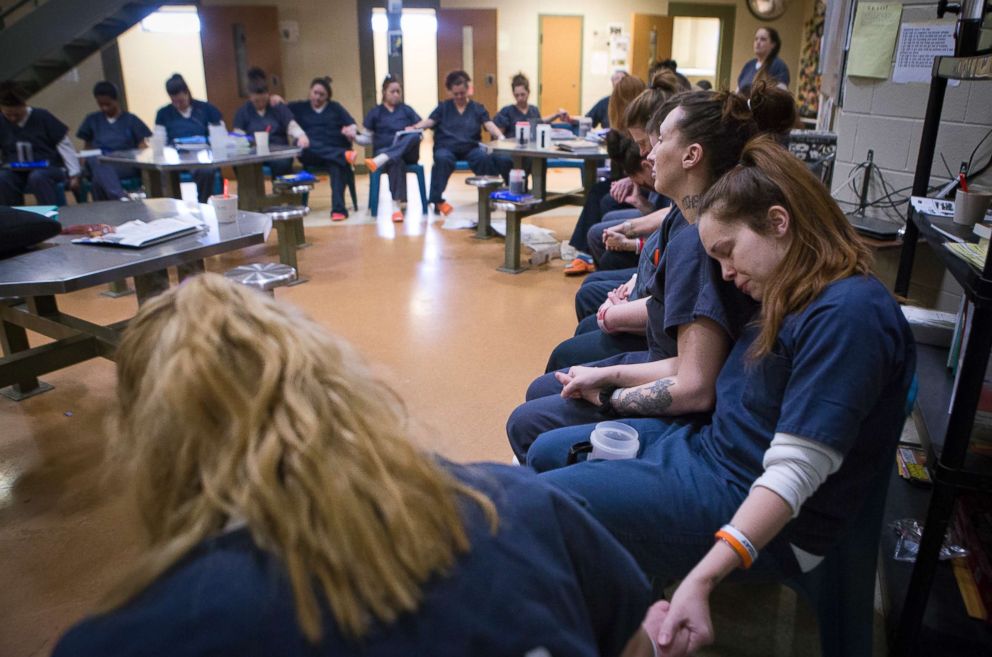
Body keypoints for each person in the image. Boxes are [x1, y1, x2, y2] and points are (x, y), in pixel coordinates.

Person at [49, 274, 655, 657]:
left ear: (153, 443)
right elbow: (633, 642)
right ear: (334, 379)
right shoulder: (520, 505)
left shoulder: (134, 637)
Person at [528, 137, 915, 657]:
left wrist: (704, 578)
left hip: (748, 495)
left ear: (779, 221)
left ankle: (625, 636)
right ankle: (624, 601)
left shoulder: (849, 315)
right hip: (712, 453)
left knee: (550, 509)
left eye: (728, 253)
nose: (726, 273)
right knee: (548, 453)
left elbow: (792, 473)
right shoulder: (792, 286)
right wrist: (620, 383)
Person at [507, 88, 793, 462]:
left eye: (660, 141)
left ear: (692, 155)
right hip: (666, 364)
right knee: (545, 388)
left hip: (681, 403)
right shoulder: (687, 215)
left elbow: (693, 382)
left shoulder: (699, 242)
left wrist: (610, 390)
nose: (650, 153)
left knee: (527, 421)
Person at [565, 74, 647, 276]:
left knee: (605, 198)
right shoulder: (610, 112)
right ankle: (586, 252)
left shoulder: (643, 126)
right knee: (598, 191)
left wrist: (631, 181)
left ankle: (591, 253)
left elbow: (641, 164)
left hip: (642, 184)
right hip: (631, 179)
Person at [410, 70, 509, 216]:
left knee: (484, 158)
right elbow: (430, 121)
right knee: (442, 159)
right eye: (455, 94)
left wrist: (501, 136)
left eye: (462, 93)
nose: (459, 97)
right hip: (447, 148)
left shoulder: (477, 108)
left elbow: (488, 124)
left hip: (471, 148)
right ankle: (436, 199)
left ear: (467, 89)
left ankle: (490, 197)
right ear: (450, 91)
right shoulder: (444, 107)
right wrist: (415, 127)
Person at [288, 76, 359, 221]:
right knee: (334, 155)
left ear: (328, 97)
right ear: (310, 92)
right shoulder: (300, 107)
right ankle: (342, 154)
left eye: (322, 95)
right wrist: (275, 99)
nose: (318, 97)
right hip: (310, 152)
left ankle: (339, 210)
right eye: (315, 93)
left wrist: (350, 130)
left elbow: (352, 124)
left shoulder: (335, 108)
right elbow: (281, 110)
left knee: (337, 165)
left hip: (332, 149)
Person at [0, 81, 80, 206]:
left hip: (48, 168)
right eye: (8, 115)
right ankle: (14, 218)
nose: (12, 119)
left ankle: (50, 217)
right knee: (3, 178)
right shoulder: (1, 122)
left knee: (37, 177)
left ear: (24, 105)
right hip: (16, 171)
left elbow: (64, 145)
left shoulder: (42, 116)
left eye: (17, 114)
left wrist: (74, 174)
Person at [76, 81, 152, 201]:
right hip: (98, 161)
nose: (104, 108)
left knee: (98, 178)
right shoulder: (92, 120)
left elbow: (142, 147)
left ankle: (109, 205)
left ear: (116, 100)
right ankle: (120, 197)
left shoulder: (131, 120)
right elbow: (87, 147)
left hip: (123, 164)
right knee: (99, 163)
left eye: (108, 104)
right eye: (100, 104)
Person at [154, 74, 223, 203]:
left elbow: (220, 135)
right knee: (164, 173)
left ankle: (203, 205)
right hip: (175, 156)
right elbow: (159, 140)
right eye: (174, 102)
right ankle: (172, 208)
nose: (178, 105)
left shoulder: (206, 109)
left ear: (187, 92)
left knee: (206, 171)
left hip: (201, 155)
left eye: (181, 101)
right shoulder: (163, 113)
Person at [362, 74, 422, 223]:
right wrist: (352, 136)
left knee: (414, 136)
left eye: (398, 92)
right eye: (392, 91)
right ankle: (396, 206)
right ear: (384, 92)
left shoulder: (407, 110)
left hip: (408, 153)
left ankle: (384, 158)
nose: (396, 95)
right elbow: (366, 138)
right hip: (386, 151)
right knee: (396, 161)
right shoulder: (375, 112)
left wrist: (413, 128)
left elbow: (420, 129)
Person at [232, 67, 309, 178]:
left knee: (282, 164)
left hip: (278, 151)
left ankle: (281, 193)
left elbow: (291, 126)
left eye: (263, 100)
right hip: (253, 153)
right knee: (241, 165)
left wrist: (302, 136)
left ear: (268, 95)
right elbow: (238, 134)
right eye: (256, 101)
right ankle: (251, 194)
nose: (260, 103)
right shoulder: (243, 111)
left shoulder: (276, 106)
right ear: (250, 97)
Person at [492, 72, 567, 136]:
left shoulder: (534, 110)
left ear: (528, 92)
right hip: (513, 150)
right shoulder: (506, 111)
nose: (520, 98)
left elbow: (541, 121)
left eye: (522, 94)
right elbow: (499, 136)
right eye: (516, 95)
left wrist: (557, 114)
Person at [737, 27, 790, 92]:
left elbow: (781, 94)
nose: (758, 42)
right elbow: (738, 91)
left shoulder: (778, 66)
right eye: (756, 39)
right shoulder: (748, 66)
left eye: (763, 39)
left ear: (773, 44)